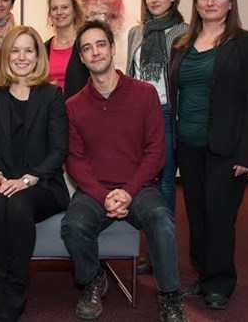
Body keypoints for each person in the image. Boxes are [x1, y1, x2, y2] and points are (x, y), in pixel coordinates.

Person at [61, 20, 187, 322]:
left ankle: (169, 296)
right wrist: (104, 195)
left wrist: (128, 192)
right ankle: (93, 281)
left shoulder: (144, 94)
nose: (95, 52)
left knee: (162, 222)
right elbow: (74, 160)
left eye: (100, 44)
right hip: (95, 192)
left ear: (113, 48)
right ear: (81, 57)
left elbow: (156, 151)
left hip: (140, 188)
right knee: (73, 226)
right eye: (87, 48)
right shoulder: (74, 105)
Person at [169, 0, 248, 310]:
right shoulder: (182, 43)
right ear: (195, 4)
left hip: (227, 148)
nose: (210, 2)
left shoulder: (247, 43)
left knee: (219, 215)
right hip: (188, 144)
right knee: (196, 215)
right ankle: (203, 274)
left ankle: (221, 282)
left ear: (230, 2)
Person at [0, 26, 69, 322]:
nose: (22, 56)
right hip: (2, 180)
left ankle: (16, 290)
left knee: (18, 203)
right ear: (5, 55)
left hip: (41, 185)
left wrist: (28, 179)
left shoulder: (52, 94)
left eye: (29, 50)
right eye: (15, 50)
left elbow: (59, 150)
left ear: (38, 55)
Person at [125, 0, 189, 275]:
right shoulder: (136, 33)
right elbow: (131, 72)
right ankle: (143, 248)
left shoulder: (185, 31)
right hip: (137, 113)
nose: (153, 0)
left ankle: (159, 252)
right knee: (137, 179)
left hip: (165, 112)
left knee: (163, 180)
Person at [44, 0, 89, 99]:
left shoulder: (85, 44)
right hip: (51, 112)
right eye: (54, 8)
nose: (59, 12)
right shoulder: (44, 48)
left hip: (79, 111)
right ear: (50, 14)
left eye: (65, 7)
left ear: (74, 12)